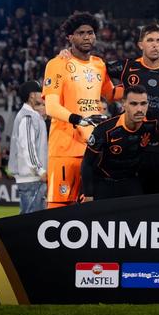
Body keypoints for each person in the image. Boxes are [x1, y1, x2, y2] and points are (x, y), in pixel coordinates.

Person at [107, 23, 159, 194]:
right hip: (130, 137)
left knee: (156, 191)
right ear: (141, 44)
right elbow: (96, 69)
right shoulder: (127, 67)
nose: (155, 45)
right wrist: (69, 55)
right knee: (128, 190)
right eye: (150, 40)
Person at [42, 12, 114, 209]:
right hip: (65, 148)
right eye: (80, 33)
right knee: (58, 210)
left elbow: (113, 94)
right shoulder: (57, 64)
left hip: (93, 149)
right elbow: (51, 107)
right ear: (70, 37)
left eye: (90, 33)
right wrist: (79, 119)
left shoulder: (99, 65)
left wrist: (136, 73)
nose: (86, 37)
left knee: (93, 210)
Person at [81, 85, 159, 201]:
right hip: (105, 180)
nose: (139, 109)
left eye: (143, 104)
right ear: (124, 104)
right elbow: (87, 163)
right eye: (133, 104)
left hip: (130, 180)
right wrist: (88, 194)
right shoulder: (106, 129)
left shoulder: (153, 123)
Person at [8, 80, 49, 214]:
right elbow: (28, 147)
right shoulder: (27, 117)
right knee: (32, 220)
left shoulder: (32, 115)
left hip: (32, 177)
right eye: (39, 92)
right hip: (31, 177)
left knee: (32, 219)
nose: (42, 95)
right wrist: (40, 170)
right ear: (32, 96)